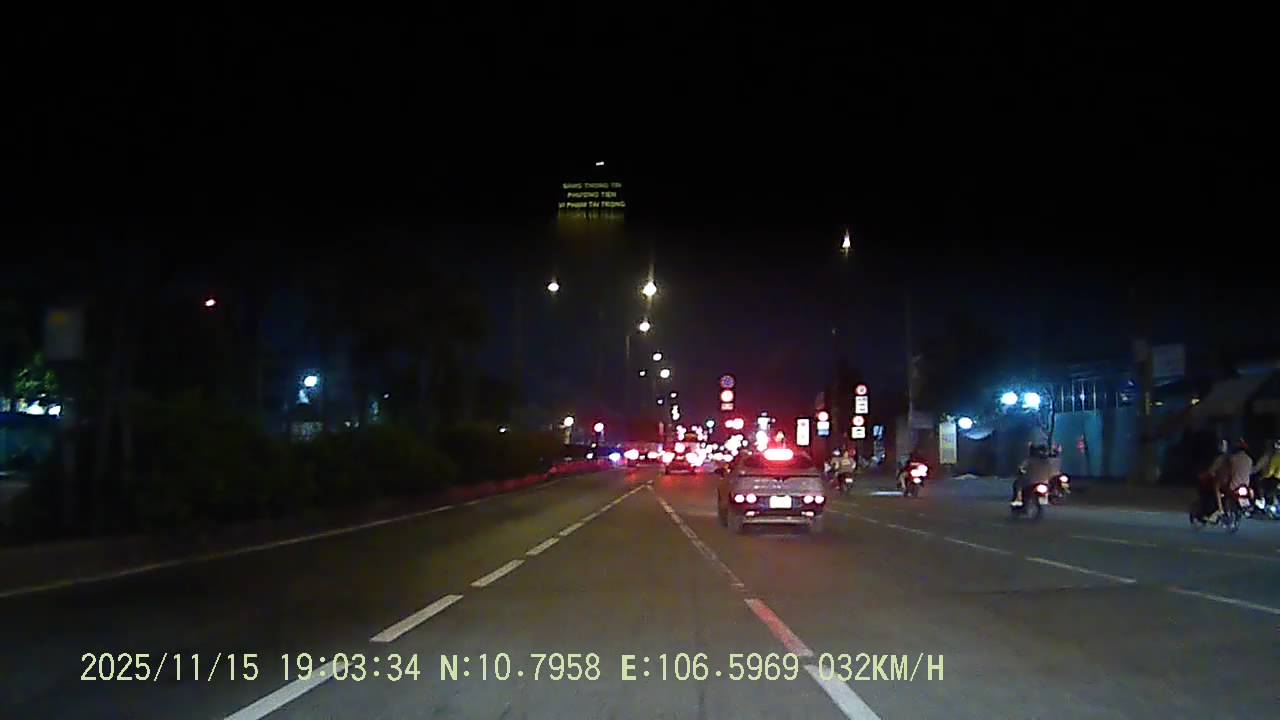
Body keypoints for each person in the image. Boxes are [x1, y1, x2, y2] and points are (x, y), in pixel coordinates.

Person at [1251, 439, 1280, 512]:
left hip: (1268, 480)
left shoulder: (1267, 456)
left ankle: (1261, 499)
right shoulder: (1269, 456)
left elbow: (1257, 468)